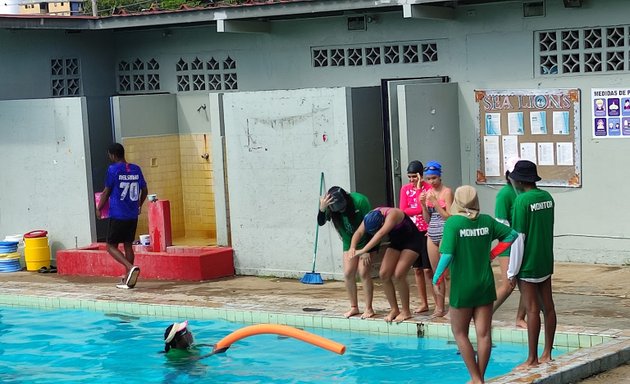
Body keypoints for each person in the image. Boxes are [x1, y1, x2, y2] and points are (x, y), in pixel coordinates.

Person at [433, 185, 518, 384]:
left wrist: (436, 278)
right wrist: (492, 254)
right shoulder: (487, 221)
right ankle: (479, 377)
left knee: (460, 332)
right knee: (484, 333)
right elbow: (511, 235)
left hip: (463, 286)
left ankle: (475, 379)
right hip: (484, 284)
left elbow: (447, 255)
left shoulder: (454, 223)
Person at [507, 160, 556, 369]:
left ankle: (532, 359)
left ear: (519, 180)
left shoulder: (522, 202)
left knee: (533, 310)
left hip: (528, 263)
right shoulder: (548, 197)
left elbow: (519, 238)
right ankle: (547, 353)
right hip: (545, 258)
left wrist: (512, 271)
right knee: (549, 307)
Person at [350, 207, 424, 323]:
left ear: (382, 222)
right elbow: (359, 232)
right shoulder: (370, 216)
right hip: (396, 243)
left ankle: (406, 311)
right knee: (384, 274)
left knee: (399, 274)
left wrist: (363, 250)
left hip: (412, 241)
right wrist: (352, 248)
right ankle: (394, 309)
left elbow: (380, 234)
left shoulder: (393, 214)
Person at [96, 143, 148, 289]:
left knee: (110, 246)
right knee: (128, 245)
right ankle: (128, 279)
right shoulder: (136, 169)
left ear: (112, 155)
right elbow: (144, 189)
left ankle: (130, 267)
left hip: (118, 214)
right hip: (132, 214)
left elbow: (106, 191)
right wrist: (139, 205)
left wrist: (99, 208)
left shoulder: (113, 170)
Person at [318, 186, 375, 319]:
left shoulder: (360, 201)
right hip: (349, 242)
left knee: (363, 272)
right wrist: (322, 209)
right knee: (348, 273)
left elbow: (372, 225)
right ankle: (354, 307)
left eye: (343, 208)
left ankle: (369, 308)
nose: (342, 211)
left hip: (366, 239)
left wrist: (367, 250)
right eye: (339, 210)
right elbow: (320, 222)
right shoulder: (328, 204)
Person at [493, 158, 527, 329]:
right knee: (508, 285)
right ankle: (484, 314)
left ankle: (520, 318)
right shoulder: (505, 194)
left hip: (525, 243)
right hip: (509, 245)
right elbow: (501, 227)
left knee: (528, 284)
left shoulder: (525, 192)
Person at [399, 160, 435, 314]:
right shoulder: (405, 189)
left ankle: (438, 302)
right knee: (417, 270)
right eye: (410, 177)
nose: (412, 180)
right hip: (412, 233)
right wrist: (418, 209)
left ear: (421, 176)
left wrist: (420, 190)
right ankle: (424, 303)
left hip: (426, 231)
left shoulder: (428, 189)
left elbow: (426, 209)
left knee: (429, 270)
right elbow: (402, 210)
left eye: (414, 176)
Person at [420, 161, 453, 317]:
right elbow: (427, 219)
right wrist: (423, 205)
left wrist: (435, 203)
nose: (431, 182)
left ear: (440, 176)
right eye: (429, 179)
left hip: (445, 234)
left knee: (447, 274)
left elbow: (449, 217)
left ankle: (454, 306)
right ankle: (439, 308)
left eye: (434, 178)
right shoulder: (428, 193)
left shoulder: (447, 192)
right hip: (431, 233)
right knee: (436, 273)